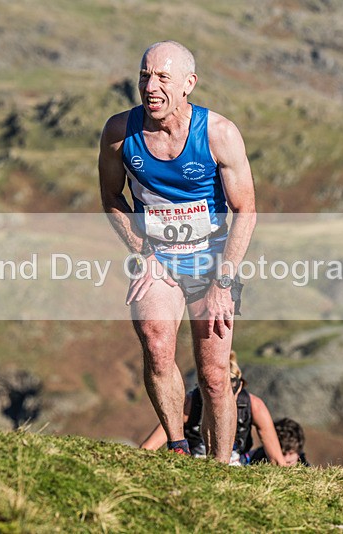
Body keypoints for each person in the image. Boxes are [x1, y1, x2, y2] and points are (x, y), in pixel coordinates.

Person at [99, 41, 257, 462]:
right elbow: (111, 196)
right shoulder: (119, 132)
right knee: (156, 345)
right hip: (158, 258)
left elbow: (246, 210)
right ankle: (178, 448)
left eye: (162, 77)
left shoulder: (219, 133)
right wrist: (143, 252)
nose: (151, 86)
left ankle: (220, 467)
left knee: (214, 375)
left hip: (212, 261)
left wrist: (223, 282)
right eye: (145, 76)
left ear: (189, 84)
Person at [140, 351, 287, 465]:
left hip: (238, 462)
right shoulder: (190, 404)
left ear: (240, 384)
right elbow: (148, 447)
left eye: (230, 388)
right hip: (194, 461)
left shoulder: (254, 405)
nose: (223, 397)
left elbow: (277, 459)